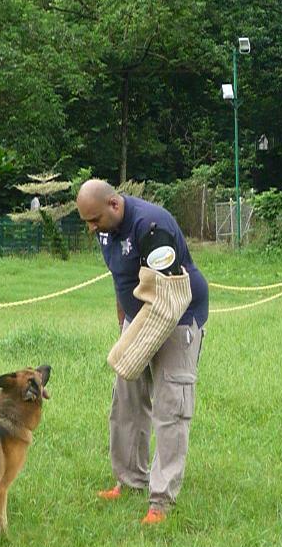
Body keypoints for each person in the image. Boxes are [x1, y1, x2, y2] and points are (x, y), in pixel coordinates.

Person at [75, 179, 208, 525]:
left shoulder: (152, 227)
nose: (91, 229)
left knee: (171, 405)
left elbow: (168, 296)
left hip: (177, 317)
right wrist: (124, 328)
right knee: (127, 402)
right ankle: (130, 479)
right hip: (138, 318)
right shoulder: (107, 229)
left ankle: (160, 502)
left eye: (94, 221)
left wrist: (144, 345)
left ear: (114, 205)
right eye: (86, 222)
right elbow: (122, 281)